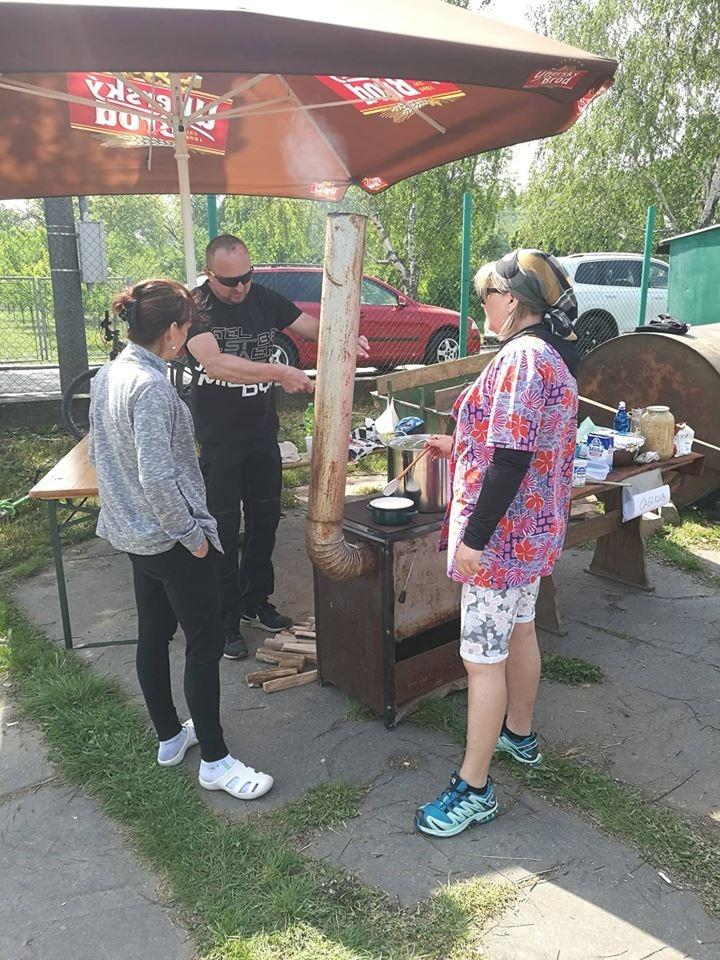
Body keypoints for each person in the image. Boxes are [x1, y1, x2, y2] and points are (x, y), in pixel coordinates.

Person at [415, 250, 580, 838]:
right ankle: (519, 734)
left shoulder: (519, 358)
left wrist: (474, 539)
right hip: (531, 536)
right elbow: (520, 443)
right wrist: (459, 444)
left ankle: (475, 788)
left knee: (481, 662)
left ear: (511, 299)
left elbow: (510, 459)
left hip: (501, 542)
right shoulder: (551, 356)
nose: (481, 305)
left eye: (486, 294)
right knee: (522, 631)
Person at [88, 279, 273, 801]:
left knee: (153, 633)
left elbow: (101, 454)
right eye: (187, 328)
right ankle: (215, 760)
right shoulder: (150, 388)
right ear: (172, 330)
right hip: (169, 539)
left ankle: (170, 737)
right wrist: (193, 538)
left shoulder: (109, 373)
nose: (188, 337)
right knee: (205, 644)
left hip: (134, 535)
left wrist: (130, 516)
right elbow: (156, 478)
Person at [186, 234, 369, 660]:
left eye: (246, 277)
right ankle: (225, 620)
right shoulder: (196, 307)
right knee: (223, 530)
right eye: (230, 281)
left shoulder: (263, 298)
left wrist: (346, 335)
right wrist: (278, 372)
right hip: (219, 441)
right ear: (210, 274)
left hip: (262, 435)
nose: (240, 287)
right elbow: (215, 362)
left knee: (265, 522)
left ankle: (256, 602)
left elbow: (313, 327)